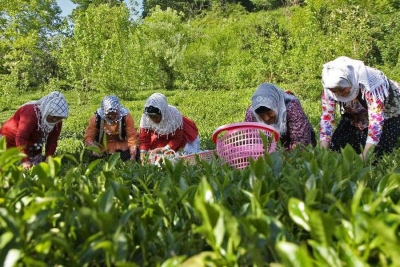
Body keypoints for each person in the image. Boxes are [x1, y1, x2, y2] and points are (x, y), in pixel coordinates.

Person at [320, 56, 400, 160]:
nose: (339, 94)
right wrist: (322, 153)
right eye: (334, 90)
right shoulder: (330, 87)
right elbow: (327, 119)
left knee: (376, 157)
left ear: (350, 80)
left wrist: (366, 154)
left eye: (342, 89)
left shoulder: (372, 84)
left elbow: (376, 122)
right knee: (335, 150)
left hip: (388, 112)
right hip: (357, 113)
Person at [0, 91, 69, 169]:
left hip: (32, 143)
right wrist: (25, 160)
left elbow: (52, 140)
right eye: (53, 116)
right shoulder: (31, 113)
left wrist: (48, 156)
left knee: (34, 168)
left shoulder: (57, 122)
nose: (55, 119)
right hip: (10, 138)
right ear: (47, 110)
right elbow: (21, 137)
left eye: (58, 117)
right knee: (9, 166)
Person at [244, 83, 316, 150]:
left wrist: (283, 157)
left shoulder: (291, 107)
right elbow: (250, 142)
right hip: (268, 152)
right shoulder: (252, 113)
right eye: (261, 116)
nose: (267, 118)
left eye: (269, 113)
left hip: (292, 150)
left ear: (276, 107)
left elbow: (301, 142)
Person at [139, 93, 200, 162]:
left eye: (156, 117)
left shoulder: (175, 117)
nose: (153, 120)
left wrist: (164, 149)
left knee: (182, 157)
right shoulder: (146, 118)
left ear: (163, 113)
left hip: (178, 138)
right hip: (161, 137)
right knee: (155, 158)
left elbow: (177, 138)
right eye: (151, 117)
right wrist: (143, 155)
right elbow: (144, 139)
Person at [84, 95, 138, 161]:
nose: (112, 117)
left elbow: (131, 136)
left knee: (127, 156)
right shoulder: (96, 119)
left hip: (122, 145)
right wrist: (93, 147)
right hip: (102, 146)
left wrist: (133, 154)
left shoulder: (126, 117)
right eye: (109, 115)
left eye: (114, 114)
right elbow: (88, 137)